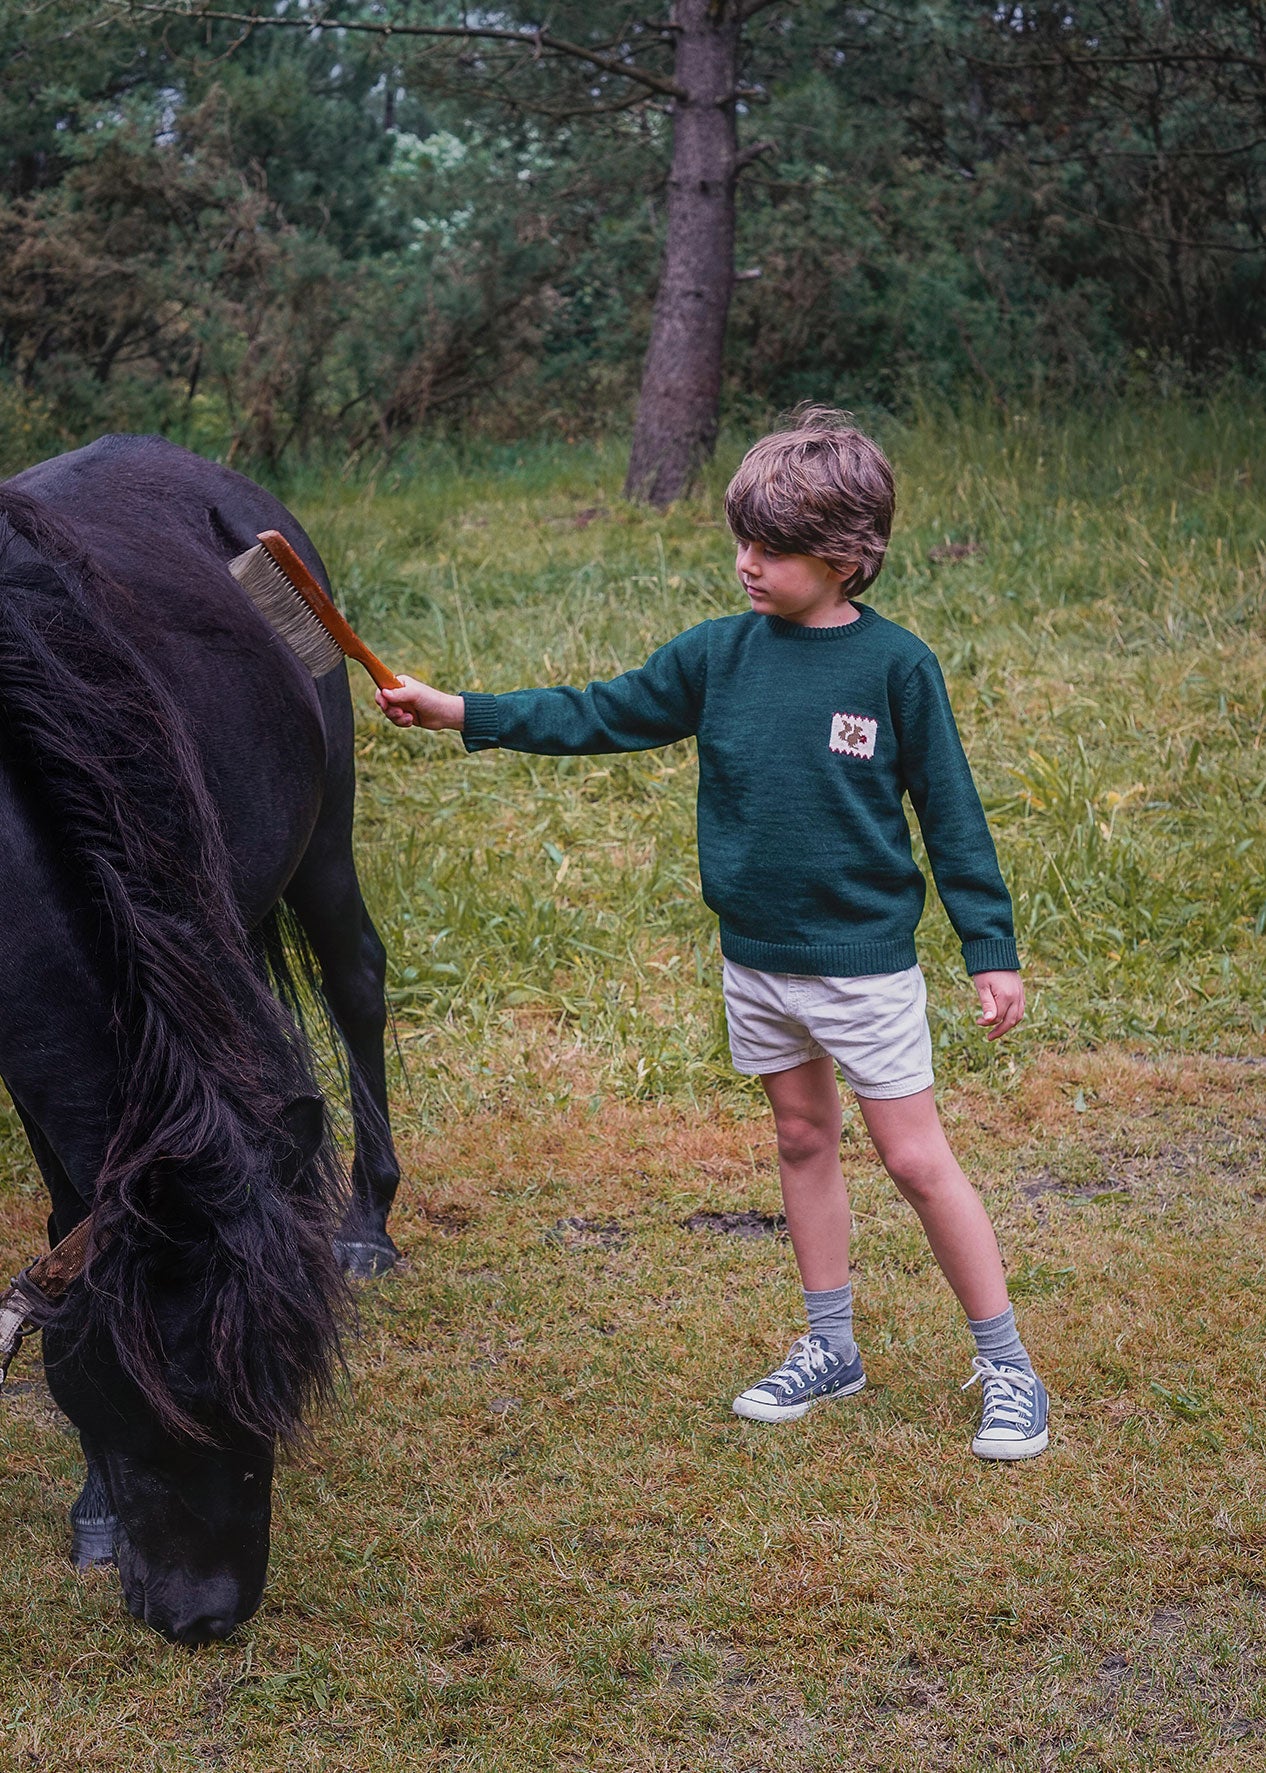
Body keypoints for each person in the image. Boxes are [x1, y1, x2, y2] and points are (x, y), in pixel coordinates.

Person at [376, 407, 1048, 1461]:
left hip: (864, 964)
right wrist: (460, 709)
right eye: (742, 541)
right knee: (798, 1137)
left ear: (845, 557)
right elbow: (598, 713)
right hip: (758, 959)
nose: (745, 565)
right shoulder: (717, 657)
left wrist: (989, 946)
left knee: (915, 1159)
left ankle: (1008, 1367)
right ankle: (832, 1348)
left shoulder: (895, 669)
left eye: (770, 550)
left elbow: (951, 814)